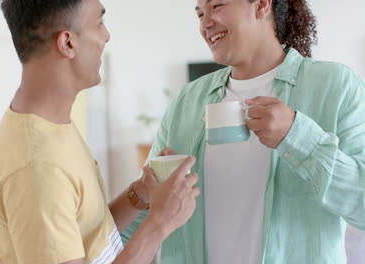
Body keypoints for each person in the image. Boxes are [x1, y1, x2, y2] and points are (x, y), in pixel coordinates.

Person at [121, 0, 365, 263]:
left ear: (261, 5)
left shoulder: (335, 86)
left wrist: (297, 136)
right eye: (200, 13)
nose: (205, 23)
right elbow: (144, 212)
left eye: (217, 6)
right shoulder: (186, 101)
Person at [0, 0, 201, 263]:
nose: (107, 36)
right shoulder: (37, 166)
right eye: (99, 22)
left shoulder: (52, 125)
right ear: (67, 43)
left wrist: (140, 193)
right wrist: (161, 222)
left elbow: (87, 238)